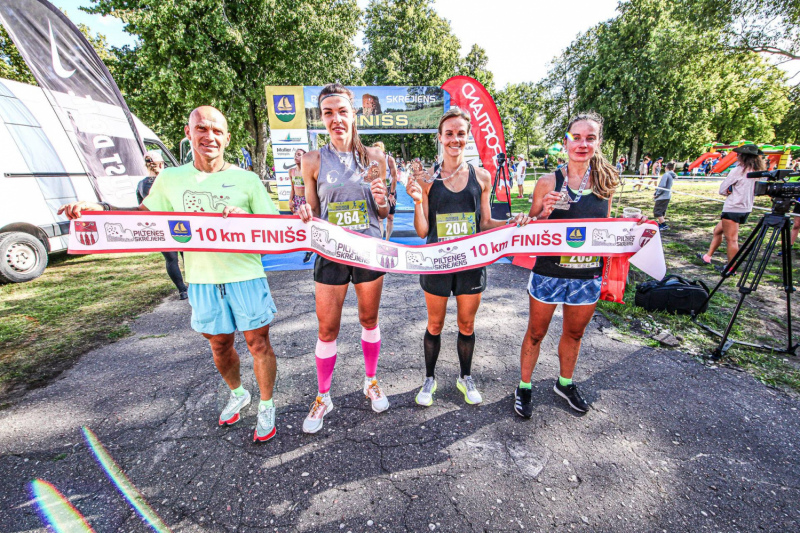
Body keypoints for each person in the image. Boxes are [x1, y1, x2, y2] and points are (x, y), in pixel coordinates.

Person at [59, 107, 281, 443]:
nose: (210, 137)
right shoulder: (170, 179)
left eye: (217, 131)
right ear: (188, 133)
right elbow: (139, 216)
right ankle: (238, 393)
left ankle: (267, 404)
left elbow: (273, 229)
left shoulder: (247, 180)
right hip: (202, 280)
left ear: (227, 138)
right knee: (220, 346)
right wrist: (99, 211)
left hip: (245, 275)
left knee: (258, 343)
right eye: (202, 129)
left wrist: (244, 219)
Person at [515, 111, 647, 418]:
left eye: (590, 138)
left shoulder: (606, 181)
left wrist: (632, 226)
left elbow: (608, 226)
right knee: (536, 332)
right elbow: (530, 227)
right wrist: (542, 213)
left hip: (586, 274)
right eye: (577, 137)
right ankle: (524, 386)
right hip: (549, 273)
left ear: (598, 142)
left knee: (574, 334)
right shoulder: (548, 181)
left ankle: (565, 383)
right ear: (566, 141)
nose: (583, 144)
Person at [405, 108, 530, 407]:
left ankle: (465, 376)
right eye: (449, 133)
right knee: (434, 325)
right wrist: (417, 202)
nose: (455, 139)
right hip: (437, 265)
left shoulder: (482, 176)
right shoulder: (427, 180)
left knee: (466, 325)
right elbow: (423, 231)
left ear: (467, 137)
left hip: (471, 265)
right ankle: (429, 378)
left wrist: (511, 223)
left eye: (460, 133)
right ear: (440, 138)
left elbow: (485, 223)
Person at [296, 83, 391, 434]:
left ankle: (370, 381)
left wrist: (382, 200)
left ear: (354, 115)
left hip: (368, 251)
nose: (336, 119)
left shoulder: (376, 158)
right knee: (327, 328)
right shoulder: (312, 160)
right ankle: (324, 396)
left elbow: (384, 212)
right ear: (322, 118)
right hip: (331, 254)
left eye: (342, 111)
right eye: (328, 112)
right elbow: (311, 211)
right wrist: (303, 213)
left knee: (368, 319)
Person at [697, 145, 766, 270]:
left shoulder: (739, 170)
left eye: (739, 154)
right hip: (746, 207)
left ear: (743, 157)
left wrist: (729, 190)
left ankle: (731, 268)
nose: (737, 156)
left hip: (733, 208)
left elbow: (722, 189)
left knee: (732, 240)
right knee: (717, 231)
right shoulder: (758, 172)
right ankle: (708, 256)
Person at [136, 151, 188, 300]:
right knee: (188, 255)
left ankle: (182, 290)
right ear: (161, 164)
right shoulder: (170, 181)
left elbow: (140, 207)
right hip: (178, 223)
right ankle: (195, 283)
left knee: (171, 260)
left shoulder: (141, 184)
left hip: (158, 226)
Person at [289, 148, 315, 264]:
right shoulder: (291, 172)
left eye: (299, 155)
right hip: (297, 200)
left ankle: (311, 249)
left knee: (309, 224)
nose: (296, 156)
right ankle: (306, 247)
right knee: (299, 225)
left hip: (306, 200)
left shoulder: (308, 171)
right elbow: (292, 187)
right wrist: (290, 199)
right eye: (295, 154)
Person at [372, 142, 399, 240]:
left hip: (389, 189)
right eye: (375, 150)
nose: (377, 152)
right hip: (378, 190)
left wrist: (391, 194)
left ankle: (387, 240)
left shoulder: (389, 160)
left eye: (379, 149)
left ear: (383, 150)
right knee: (379, 218)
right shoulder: (372, 161)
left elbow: (394, 177)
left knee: (390, 217)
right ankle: (380, 240)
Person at [653, 161, 676, 230]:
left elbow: (662, 186)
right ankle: (660, 224)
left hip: (662, 196)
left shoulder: (666, 175)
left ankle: (664, 225)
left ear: (666, 167)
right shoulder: (671, 175)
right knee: (662, 211)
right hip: (667, 195)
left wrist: (657, 194)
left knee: (657, 211)